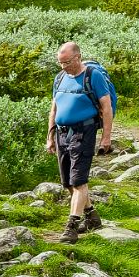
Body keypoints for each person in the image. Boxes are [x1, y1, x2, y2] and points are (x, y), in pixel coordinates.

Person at [46, 41, 116, 242]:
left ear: (78, 57)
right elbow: (54, 108)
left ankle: (72, 226)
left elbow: (107, 107)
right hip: (62, 133)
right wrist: (50, 136)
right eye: (60, 62)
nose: (63, 66)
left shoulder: (93, 76)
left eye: (67, 62)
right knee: (68, 182)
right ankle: (92, 216)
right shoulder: (60, 78)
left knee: (79, 180)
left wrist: (106, 138)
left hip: (84, 132)